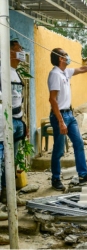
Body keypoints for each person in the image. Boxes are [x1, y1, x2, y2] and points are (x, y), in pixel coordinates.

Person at [48, 48, 87, 191]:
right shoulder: (55, 75)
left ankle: (83, 174)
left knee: (79, 143)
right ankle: (56, 178)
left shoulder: (65, 72)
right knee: (58, 150)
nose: (68, 56)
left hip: (70, 115)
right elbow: (52, 100)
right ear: (60, 58)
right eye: (65, 54)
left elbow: (84, 68)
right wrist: (60, 121)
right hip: (60, 116)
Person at [0, 39, 27, 207]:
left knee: (12, 161)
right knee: (2, 161)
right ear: (10, 52)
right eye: (19, 49)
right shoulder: (1, 70)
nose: (22, 51)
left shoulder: (15, 72)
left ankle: (8, 195)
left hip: (17, 122)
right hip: (4, 123)